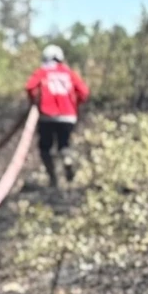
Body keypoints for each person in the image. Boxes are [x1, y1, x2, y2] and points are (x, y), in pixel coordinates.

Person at [25, 44, 90, 188]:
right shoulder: (69, 73)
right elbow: (84, 92)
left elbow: (30, 87)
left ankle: (53, 178)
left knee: (45, 148)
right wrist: (74, 104)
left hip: (47, 116)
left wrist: (34, 101)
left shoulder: (43, 71)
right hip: (68, 116)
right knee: (64, 145)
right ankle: (67, 160)